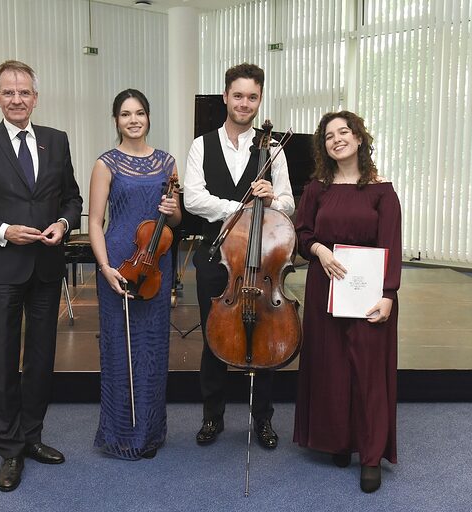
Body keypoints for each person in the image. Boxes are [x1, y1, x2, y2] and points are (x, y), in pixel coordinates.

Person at [0, 60, 82, 492]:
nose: (17, 99)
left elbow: (72, 197)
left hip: (46, 266)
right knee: (3, 362)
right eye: (9, 92)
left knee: (41, 360)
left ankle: (32, 437)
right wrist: (3, 231)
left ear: (35, 98)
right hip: (4, 267)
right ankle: (8, 450)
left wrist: (63, 225)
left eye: (24, 92)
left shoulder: (56, 142)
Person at [183, 63, 294, 449]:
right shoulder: (202, 145)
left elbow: (288, 204)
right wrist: (240, 210)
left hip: (261, 261)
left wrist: (271, 198)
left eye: (252, 97)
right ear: (226, 97)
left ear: (258, 99)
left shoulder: (273, 149)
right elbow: (193, 197)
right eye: (238, 95)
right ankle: (212, 417)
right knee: (216, 338)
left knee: (263, 338)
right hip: (217, 258)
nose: (244, 103)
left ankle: (262, 419)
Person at [292, 111, 401, 493]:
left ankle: (370, 455)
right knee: (331, 368)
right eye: (328, 136)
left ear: (359, 138)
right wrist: (320, 250)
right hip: (325, 285)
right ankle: (339, 440)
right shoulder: (316, 189)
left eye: (344, 132)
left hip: (369, 291)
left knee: (368, 373)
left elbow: (391, 245)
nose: (336, 139)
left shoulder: (381, 190)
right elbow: (302, 233)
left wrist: (388, 295)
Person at [88, 89, 180, 460]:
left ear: (148, 117)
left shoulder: (167, 163)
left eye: (139, 113)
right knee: (118, 347)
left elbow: (174, 222)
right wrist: (104, 266)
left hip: (156, 262)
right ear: (116, 120)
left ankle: (149, 433)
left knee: (153, 348)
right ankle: (121, 433)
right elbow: (95, 222)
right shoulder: (105, 163)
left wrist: (174, 209)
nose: (133, 120)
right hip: (117, 261)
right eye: (125, 114)